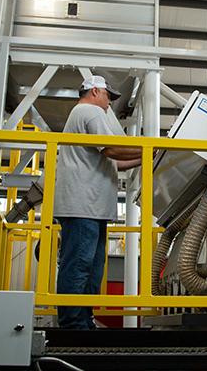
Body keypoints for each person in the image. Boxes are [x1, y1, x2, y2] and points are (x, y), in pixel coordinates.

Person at [53, 75, 142, 329]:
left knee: (91, 269)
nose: (109, 104)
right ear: (94, 91)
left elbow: (113, 160)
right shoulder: (90, 112)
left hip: (92, 208)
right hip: (83, 206)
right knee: (80, 266)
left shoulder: (84, 114)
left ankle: (82, 319)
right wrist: (149, 148)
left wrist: (148, 154)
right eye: (108, 97)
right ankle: (72, 325)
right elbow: (112, 149)